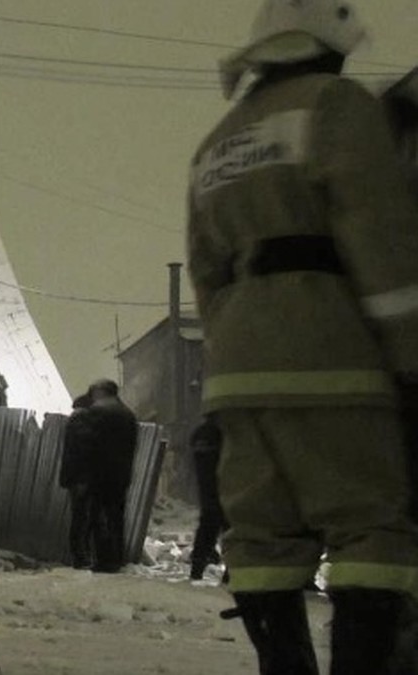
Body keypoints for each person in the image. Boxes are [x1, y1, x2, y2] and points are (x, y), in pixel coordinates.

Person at [187, 1, 418, 672]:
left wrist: (231, 356)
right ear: (327, 47)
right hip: (331, 364)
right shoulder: (339, 107)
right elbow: (383, 242)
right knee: (370, 529)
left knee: (261, 541)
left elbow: (205, 272)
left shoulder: (219, 141)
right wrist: (410, 358)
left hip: (238, 376)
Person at [81, 379, 139, 573]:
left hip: (100, 473)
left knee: (98, 517)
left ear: (101, 392)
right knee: (116, 517)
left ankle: (104, 560)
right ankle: (118, 558)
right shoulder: (128, 414)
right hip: (121, 474)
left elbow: (89, 445)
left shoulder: (98, 412)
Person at [59, 392, 96, 569]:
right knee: (82, 519)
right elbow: (81, 453)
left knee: (81, 518)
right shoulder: (81, 422)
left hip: (78, 478)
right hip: (81, 479)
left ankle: (82, 556)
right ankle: (81, 557)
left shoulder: (76, 421)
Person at [188, 417, 227, 581]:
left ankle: (196, 569)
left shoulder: (200, 433)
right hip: (225, 490)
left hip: (208, 491)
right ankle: (231, 573)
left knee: (206, 529)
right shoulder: (226, 433)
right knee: (229, 530)